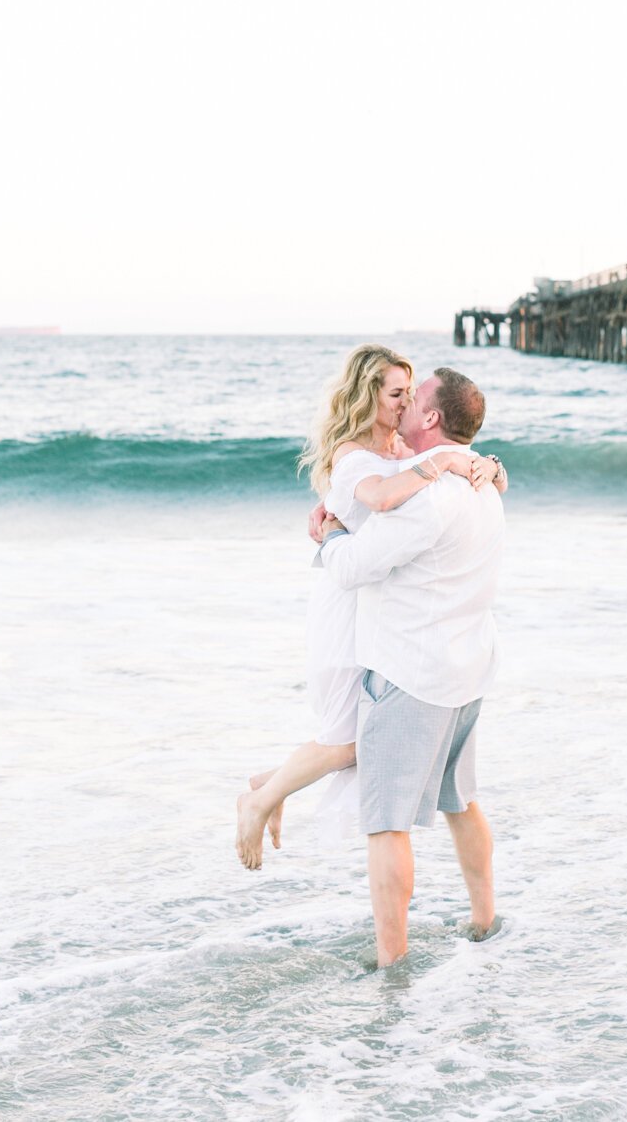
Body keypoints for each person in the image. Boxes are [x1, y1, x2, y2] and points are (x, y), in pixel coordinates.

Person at [235, 345, 505, 871]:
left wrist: (485, 463)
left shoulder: (402, 446)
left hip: (384, 609)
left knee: (359, 737)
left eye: (410, 392)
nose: (405, 403)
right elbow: (381, 497)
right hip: (350, 602)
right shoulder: (356, 454)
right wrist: (443, 461)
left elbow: (447, 471)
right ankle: (260, 798)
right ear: (370, 397)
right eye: (395, 393)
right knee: (350, 739)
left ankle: (269, 785)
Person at [319, 367, 504, 967]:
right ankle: (485, 918)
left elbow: (351, 568)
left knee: (387, 824)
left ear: (430, 418)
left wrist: (330, 536)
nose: (404, 406)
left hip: (412, 676)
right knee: (461, 800)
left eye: (414, 397)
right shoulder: (484, 485)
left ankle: (390, 963)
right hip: (468, 670)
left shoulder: (430, 499)